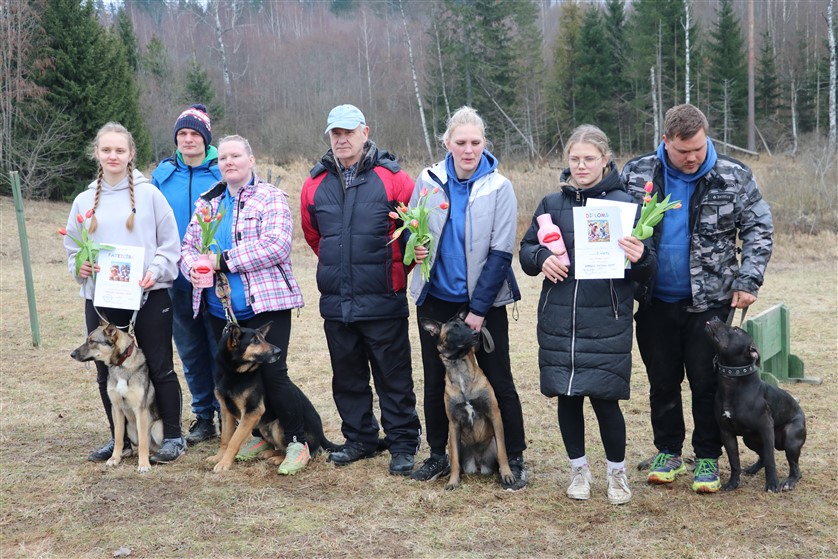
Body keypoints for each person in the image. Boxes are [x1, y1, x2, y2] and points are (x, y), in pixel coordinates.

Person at [621, 104, 774, 493]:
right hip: (655, 301)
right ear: (665, 142)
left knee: (708, 384)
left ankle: (707, 456)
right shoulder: (637, 174)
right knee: (662, 382)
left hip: (711, 305)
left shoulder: (733, 175)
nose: (692, 157)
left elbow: (759, 226)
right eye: (683, 150)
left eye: (699, 148)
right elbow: (611, 221)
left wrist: (749, 278)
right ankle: (668, 451)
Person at [519, 125, 655, 504]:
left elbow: (649, 267)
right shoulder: (550, 204)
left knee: (605, 399)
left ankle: (617, 475)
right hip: (559, 319)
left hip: (606, 319)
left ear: (605, 160)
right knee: (567, 397)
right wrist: (542, 258)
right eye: (575, 159)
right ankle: (578, 470)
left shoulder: (627, 205)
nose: (581, 166)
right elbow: (526, 252)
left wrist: (639, 256)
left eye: (589, 159)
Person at [409, 106, 527, 491]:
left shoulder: (500, 186)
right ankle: (439, 455)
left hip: (484, 301)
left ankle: (516, 456)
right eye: (460, 142)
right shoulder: (427, 180)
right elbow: (413, 233)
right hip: (436, 299)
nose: (468, 149)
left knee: (498, 377)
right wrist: (416, 249)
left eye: (475, 142)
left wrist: (478, 311)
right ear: (447, 143)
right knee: (434, 380)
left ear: (484, 144)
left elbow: (500, 252)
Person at [300, 104, 422, 476]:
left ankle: (402, 442)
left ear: (364, 132)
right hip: (338, 303)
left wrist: (394, 268)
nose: (341, 139)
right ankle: (360, 439)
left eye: (348, 132)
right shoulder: (314, 183)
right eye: (335, 133)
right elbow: (314, 236)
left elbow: (416, 232)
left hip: (383, 298)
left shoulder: (395, 178)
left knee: (393, 376)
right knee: (347, 377)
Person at [180, 135, 312, 476]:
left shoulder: (270, 197)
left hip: (266, 303)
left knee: (272, 373)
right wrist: (194, 267)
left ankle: (297, 441)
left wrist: (222, 260)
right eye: (223, 157)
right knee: (228, 377)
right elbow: (188, 246)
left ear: (250, 160)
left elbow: (277, 245)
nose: (229, 162)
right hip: (220, 307)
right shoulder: (209, 203)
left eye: (236, 155)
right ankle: (258, 436)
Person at [64, 122, 186, 464]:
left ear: (131, 154)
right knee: (104, 369)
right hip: (102, 299)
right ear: (97, 154)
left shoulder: (150, 196)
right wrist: (81, 267)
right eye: (106, 150)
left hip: (148, 296)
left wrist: (155, 271)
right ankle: (121, 441)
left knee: (159, 366)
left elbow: (170, 245)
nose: (113, 155)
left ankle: (173, 436)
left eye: (120, 150)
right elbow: (73, 248)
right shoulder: (84, 200)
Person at [152, 104, 223, 445]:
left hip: (215, 279)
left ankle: (229, 413)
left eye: (195, 134)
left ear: (206, 139)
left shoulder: (221, 172)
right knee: (190, 350)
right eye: (183, 134)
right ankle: (204, 416)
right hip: (176, 281)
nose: (189, 139)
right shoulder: (163, 176)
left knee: (219, 347)